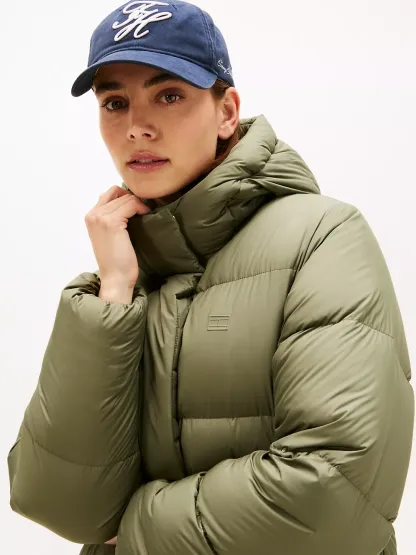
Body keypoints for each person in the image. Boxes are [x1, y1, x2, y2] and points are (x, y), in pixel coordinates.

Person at [7, 1, 414, 554]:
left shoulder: (321, 239)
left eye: (168, 95)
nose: (137, 127)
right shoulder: (124, 276)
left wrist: (136, 528)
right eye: (115, 103)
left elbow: (330, 495)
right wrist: (113, 292)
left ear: (227, 113)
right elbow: (59, 503)